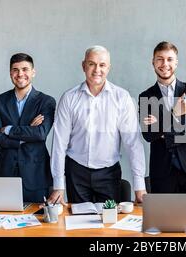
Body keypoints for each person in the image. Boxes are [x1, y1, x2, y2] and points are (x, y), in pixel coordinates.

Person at [49, 45, 147, 205]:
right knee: (79, 225)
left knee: (109, 226)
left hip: (109, 173)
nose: (97, 70)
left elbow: (133, 143)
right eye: (91, 64)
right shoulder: (69, 98)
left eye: (102, 65)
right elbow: (59, 143)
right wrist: (58, 185)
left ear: (109, 68)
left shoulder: (122, 98)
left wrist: (139, 186)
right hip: (76, 172)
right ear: (83, 66)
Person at [138, 41, 186, 193]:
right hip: (161, 171)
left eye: (169, 59)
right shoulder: (146, 96)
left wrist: (164, 130)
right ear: (153, 62)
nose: (165, 64)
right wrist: (175, 114)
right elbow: (149, 135)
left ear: (176, 62)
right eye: (160, 59)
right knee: (162, 217)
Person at [0, 53, 56, 203]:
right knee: (1, 220)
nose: (20, 74)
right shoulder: (0, 100)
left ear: (33, 72)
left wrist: (8, 129)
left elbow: (40, 134)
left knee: (37, 223)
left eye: (25, 69)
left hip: (35, 175)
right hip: (4, 173)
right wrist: (24, 137)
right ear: (10, 73)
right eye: (15, 70)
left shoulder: (46, 101)